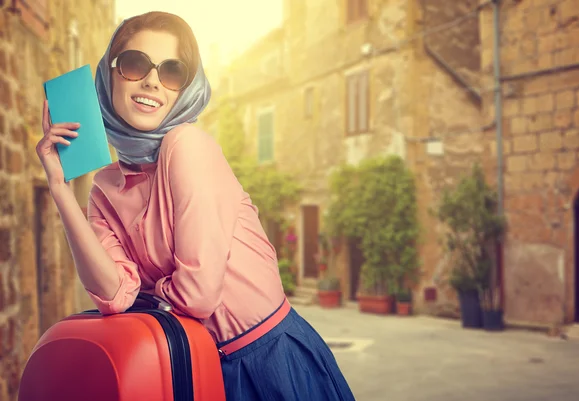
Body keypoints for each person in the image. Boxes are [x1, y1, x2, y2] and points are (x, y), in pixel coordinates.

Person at [35, 11, 355, 401]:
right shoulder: (104, 188)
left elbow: (198, 295)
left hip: (269, 360)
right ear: (109, 75)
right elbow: (115, 297)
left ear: (183, 89)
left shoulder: (186, 145)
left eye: (171, 72)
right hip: (199, 369)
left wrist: (150, 292)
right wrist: (58, 186)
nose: (152, 80)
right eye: (135, 64)